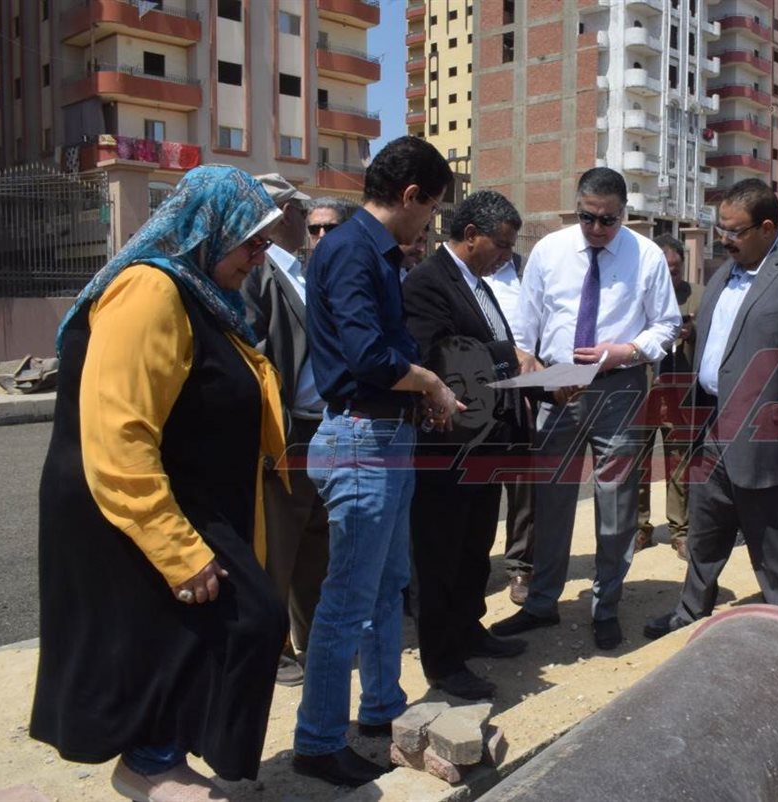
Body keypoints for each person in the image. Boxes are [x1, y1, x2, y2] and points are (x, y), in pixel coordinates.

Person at [30, 166, 289, 802]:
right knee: (230, 617)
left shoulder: (201, 293)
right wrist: (176, 549)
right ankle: (149, 764)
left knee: (185, 632)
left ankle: (162, 757)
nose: (260, 258)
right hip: (133, 502)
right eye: (252, 242)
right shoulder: (149, 289)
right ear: (209, 229)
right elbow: (119, 431)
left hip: (182, 495)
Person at [294, 136, 458, 788]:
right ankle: (317, 741)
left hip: (384, 436)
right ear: (411, 195)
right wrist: (431, 384)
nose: (430, 223)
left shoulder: (374, 253)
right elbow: (367, 356)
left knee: (386, 586)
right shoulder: (350, 251)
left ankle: (382, 705)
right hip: (362, 440)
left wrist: (418, 397)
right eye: (433, 208)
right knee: (346, 601)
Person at [642, 179, 778, 640]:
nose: (724, 239)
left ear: (768, 228)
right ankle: (691, 609)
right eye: (720, 229)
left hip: (772, 444)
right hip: (713, 429)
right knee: (705, 533)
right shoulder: (725, 273)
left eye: (735, 231)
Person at [490, 167, 681, 650]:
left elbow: (666, 325)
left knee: (615, 504)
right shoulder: (550, 251)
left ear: (624, 214)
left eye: (608, 220)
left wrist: (626, 351)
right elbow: (526, 323)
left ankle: (605, 606)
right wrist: (530, 372)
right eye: (587, 217)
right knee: (551, 500)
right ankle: (541, 603)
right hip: (557, 387)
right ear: (576, 208)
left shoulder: (647, 256)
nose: (596, 228)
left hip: (619, 386)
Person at [403, 190, 534, 700]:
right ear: (472, 234)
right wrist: (508, 353)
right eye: (501, 244)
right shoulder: (427, 283)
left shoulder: (480, 284)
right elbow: (439, 354)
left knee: (474, 547)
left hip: (484, 442)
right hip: (448, 445)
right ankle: (442, 660)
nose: (506, 254)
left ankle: (468, 629)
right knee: (439, 554)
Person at [243, 174, 328, 687]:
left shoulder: (301, 271)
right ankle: (272, 650)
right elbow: (255, 351)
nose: (308, 222)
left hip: (320, 427)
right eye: (301, 213)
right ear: (280, 216)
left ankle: (313, 639)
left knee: (316, 543)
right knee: (277, 548)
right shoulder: (257, 273)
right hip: (287, 431)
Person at [634, 233, 704, 561]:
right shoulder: (636, 297)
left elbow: (715, 337)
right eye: (664, 270)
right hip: (644, 391)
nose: (670, 276)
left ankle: (680, 531)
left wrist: (693, 333)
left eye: (675, 270)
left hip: (680, 393)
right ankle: (639, 528)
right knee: (638, 462)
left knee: (680, 463)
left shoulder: (698, 297)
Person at [485, 253, 537, 605]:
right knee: (478, 485)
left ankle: (520, 565)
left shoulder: (525, 275)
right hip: (477, 392)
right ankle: (475, 566)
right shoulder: (463, 277)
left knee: (522, 487)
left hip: (521, 392)